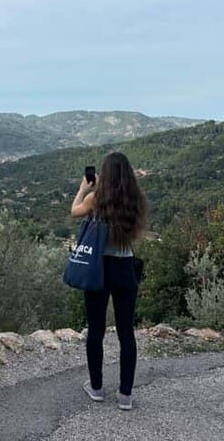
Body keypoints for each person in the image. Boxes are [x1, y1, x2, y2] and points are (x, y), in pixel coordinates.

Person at [70, 151, 148, 410]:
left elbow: (74, 212)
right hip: (125, 267)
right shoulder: (135, 200)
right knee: (127, 333)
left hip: (99, 268)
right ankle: (125, 395)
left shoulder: (96, 199)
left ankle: (97, 387)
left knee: (96, 330)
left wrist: (83, 189)